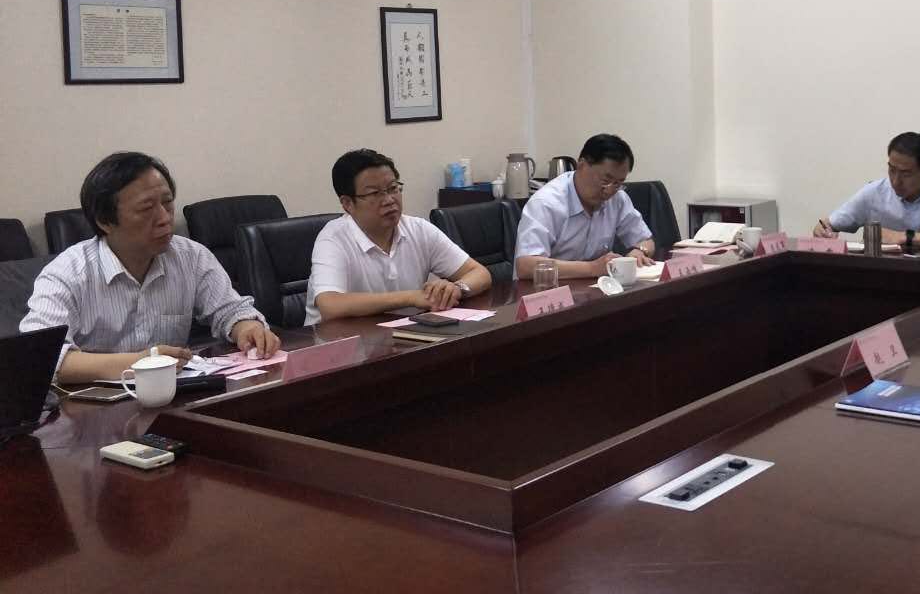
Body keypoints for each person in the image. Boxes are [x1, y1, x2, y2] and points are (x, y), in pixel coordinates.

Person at [20, 151, 278, 383]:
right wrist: (142, 363)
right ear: (105, 221)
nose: (165, 218)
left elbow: (230, 310)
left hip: (173, 400)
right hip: (91, 408)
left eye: (167, 202)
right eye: (146, 208)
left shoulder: (190, 256)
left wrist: (247, 328)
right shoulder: (66, 274)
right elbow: (40, 359)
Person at [306, 148, 492, 324]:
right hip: (337, 341)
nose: (389, 200)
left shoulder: (418, 229)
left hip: (403, 334)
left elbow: (479, 273)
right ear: (347, 203)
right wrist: (411, 297)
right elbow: (330, 305)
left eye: (393, 188)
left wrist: (457, 289)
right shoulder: (333, 239)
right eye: (375, 193)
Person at [514, 133, 655, 280]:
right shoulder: (546, 202)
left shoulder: (617, 199)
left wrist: (640, 251)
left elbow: (646, 240)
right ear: (582, 165)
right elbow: (525, 265)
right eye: (605, 180)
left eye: (618, 183)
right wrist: (592, 268)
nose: (609, 190)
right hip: (547, 290)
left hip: (595, 288)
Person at [813, 131, 920, 250]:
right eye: (891, 170)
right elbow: (827, 224)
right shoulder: (874, 192)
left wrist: (905, 237)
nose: (896, 181)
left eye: (906, 174)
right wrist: (823, 230)